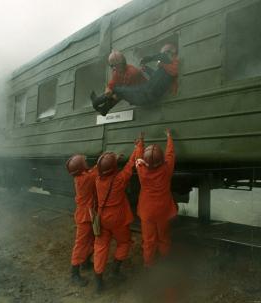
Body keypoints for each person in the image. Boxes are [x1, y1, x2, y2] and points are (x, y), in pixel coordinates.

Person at [93, 134, 144, 292]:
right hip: (117, 218)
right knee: (124, 242)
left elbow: (102, 167)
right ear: (114, 168)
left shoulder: (97, 179)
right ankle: (115, 270)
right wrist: (138, 146)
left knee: (101, 246)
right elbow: (130, 165)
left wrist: (113, 159)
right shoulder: (119, 180)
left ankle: (98, 281)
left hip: (102, 218)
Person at [94, 43, 179, 116]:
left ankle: (96, 102)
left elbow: (163, 56)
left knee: (118, 90)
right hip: (147, 92)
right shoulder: (166, 70)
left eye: (165, 53)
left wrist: (147, 59)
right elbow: (156, 80)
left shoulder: (173, 65)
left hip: (146, 94)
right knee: (119, 92)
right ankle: (104, 109)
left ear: (170, 54)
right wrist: (147, 69)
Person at [135, 129, 177, 268]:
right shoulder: (167, 169)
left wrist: (141, 141)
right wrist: (169, 137)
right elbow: (170, 154)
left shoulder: (141, 170)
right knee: (164, 237)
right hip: (163, 210)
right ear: (161, 160)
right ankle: (165, 261)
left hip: (147, 211)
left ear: (146, 162)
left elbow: (138, 156)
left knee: (148, 240)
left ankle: (149, 264)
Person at [66, 154, 98, 287]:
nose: (86, 163)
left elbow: (92, 171)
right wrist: (108, 160)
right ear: (81, 167)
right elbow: (96, 172)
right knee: (81, 244)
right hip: (85, 216)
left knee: (91, 239)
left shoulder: (81, 176)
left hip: (87, 214)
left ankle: (85, 262)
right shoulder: (86, 178)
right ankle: (74, 274)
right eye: (84, 162)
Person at [90, 50, 147, 116]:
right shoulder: (117, 71)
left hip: (141, 97)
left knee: (117, 91)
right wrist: (108, 89)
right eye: (112, 66)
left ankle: (97, 102)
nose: (113, 68)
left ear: (121, 64)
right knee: (114, 90)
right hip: (132, 93)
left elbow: (124, 91)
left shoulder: (132, 72)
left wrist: (113, 95)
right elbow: (112, 83)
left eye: (114, 66)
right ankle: (103, 109)